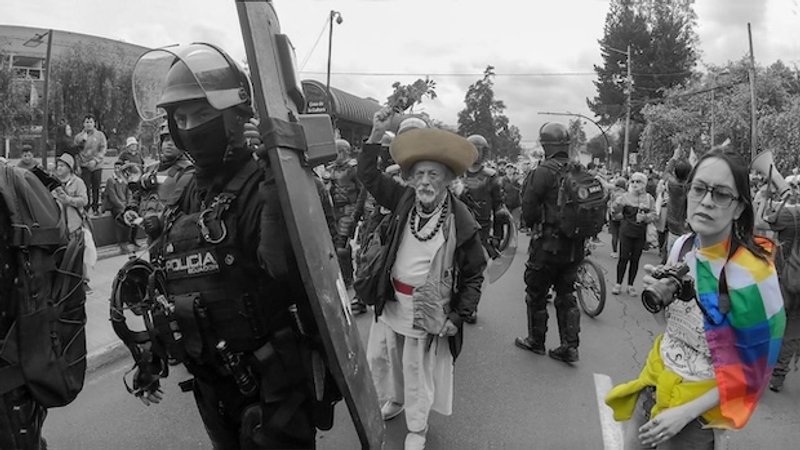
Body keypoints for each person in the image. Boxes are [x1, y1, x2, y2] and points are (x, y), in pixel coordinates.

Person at [120, 43, 338, 449]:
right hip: (213, 386)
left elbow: (285, 269)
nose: (189, 126)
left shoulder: (270, 184)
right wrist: (152, 355)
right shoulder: (186, 192)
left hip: (275, 388)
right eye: (180, 117)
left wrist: (278, 178)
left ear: (238, 117)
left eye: (202, 114)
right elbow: (169, 280)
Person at [606, 146, 786, 449]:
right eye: (699, 189)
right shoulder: (683, 247)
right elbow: (670, 327)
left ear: (740, 207)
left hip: (696, 419)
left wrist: (685, 414)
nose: (705, 201)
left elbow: (753, 367)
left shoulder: (753, 272)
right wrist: (660, 293)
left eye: (721, 194)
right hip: (653, 386)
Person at [358, 108, 486, 450]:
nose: (426, 181)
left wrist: (458, 316)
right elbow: (368, 175)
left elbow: (475, 273)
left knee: (417, 370)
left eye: (433, 174)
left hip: (429, 309)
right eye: (419, 174)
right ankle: (395, 402)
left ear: (446, 179)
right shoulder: (403, 200)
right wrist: (375, 134)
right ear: (410, 179)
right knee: (387, 361)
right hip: (392, 300)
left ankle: (417, 427)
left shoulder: (461, 218)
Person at [515, 122, 583, 363]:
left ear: (545, 145)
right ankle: (569, 346)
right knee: (567, 294)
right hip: (575, 247)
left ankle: (536, 341)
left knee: (536, 293)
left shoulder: (542, 172)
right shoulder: (579, 170)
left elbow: (529, 207)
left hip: (546, 245)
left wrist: (533, 225)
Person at [755, 179, 800, 393]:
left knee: (772, 323)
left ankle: (760, 372)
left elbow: (759, 223)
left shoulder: (788, 215)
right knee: (793, 330)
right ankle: (778, 377)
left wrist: (764, 200)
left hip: (783, 277)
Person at [460, 134, 510, 323]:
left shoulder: (491, 178)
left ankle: (471, 306)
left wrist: (497, 236)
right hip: (458, 225)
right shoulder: (459, 172)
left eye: (479, 149)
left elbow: (500, 209)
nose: (476, 153)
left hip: (481, 230)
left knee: (475, 270)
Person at [611, 172, 657, 296]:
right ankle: (618, 284)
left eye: (638, 181)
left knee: (635, 260)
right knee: (623, 258)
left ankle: (630, 285)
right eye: (633, 181)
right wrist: (616, 205)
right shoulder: (625, 196)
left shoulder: (649, 198)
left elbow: (654, 215)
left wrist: (646, 217)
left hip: (640, 234)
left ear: (644, 184)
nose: (635, 184)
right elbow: (614, 211)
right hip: (626, 231)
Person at [52, 153, 92, 293]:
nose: (59, 168)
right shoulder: (54, 183)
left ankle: (83, 281)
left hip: (75, 225)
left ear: (70, 167)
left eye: (62, 165)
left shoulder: (78, 182)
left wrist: (68, 200)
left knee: (79, 255)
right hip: (59, 226)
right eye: (58, 165)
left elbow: (84, 200)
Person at [326, 138, 361, 288]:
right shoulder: (331, 169)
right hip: (334, 211)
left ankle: (348, 279)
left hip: (349, 210)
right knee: (333, 245)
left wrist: (359, 213)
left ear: (344, 152)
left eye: (337, 152)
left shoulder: (354, 168)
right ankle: (342, 275)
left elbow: (362, 191)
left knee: (342, 248)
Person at [73, 114, 107, 215]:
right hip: (84, 165)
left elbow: (103, 149)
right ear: (83, 124)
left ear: (94, 123)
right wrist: (78, 165)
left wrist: (96, 160)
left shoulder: (100, 135)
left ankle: (96, 207)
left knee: (96, 187)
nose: (89, 124)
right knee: (85, 187)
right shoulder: (78, 137)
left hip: (97, 165)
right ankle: (86, 208)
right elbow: (76, 151)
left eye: (91, 122)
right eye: (87, 122)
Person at [103, 159, 135, 254]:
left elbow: (129, 193)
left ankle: (128, 240)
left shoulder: (125, 180)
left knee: (131, 217)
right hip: (115, 207)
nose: (117, 170)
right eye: (115, 168)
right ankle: (121, 243)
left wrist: (128, 205)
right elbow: (113, 197)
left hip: (125, 205)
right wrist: (123, 207)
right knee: (121, 219)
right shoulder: (111, 180)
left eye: (119, 168)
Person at [608, 177, 627, 258]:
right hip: (623, 216)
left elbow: (609, 203)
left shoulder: (613, 193)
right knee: (622, 235)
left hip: (613, 216)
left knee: (614, 234)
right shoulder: (626, 194)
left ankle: (614, 252)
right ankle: (623, 252)